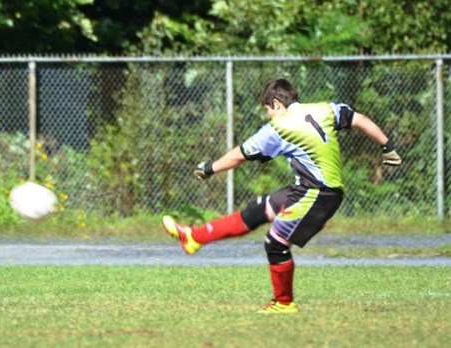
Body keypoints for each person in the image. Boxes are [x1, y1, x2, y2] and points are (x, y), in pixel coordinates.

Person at [162, 78, 402, 314]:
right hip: (310, 188)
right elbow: (359, 119)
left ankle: (284, 303)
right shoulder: (324, 109)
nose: (268, 116)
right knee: (258, 209)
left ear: (276, 103)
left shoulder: (279, 127)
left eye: (268, 110)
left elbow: (240, 155)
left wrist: (209, 168)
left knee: (276, 242)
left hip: (318, 193)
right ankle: (194, 237)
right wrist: (387, 146)